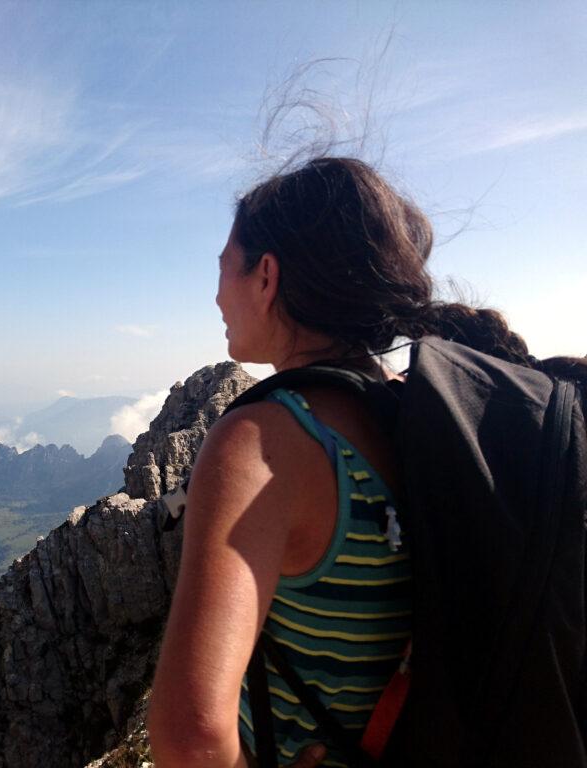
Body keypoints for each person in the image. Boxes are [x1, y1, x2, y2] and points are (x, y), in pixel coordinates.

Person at [145, 156, 584, 767]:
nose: (216, 293)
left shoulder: (261, 444)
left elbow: (190, 738)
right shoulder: (424, 418)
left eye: (223, 267)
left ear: (265, 277)